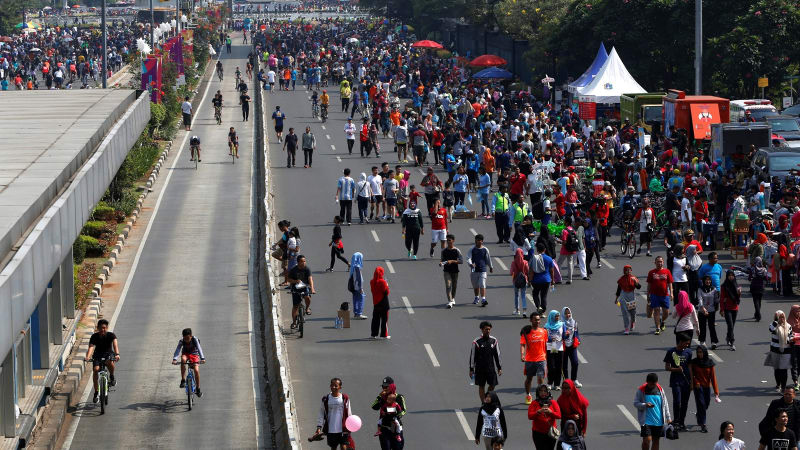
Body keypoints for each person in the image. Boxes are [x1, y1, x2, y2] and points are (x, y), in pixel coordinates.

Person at [84, 319, 120, 404]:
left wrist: (117, 354)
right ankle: (96, 392)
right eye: (101, 328)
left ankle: (111, 376)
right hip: (97, 355)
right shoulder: (94, 336)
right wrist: (87, 357)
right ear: (97, 328)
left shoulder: (111, 335)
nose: (102, 330)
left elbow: (115, 345)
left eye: (104, 328)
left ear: (107, 328)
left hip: (108, 354)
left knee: (110, 362)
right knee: (96, 370)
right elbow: (91, 347)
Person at [311, 378, 353, 450]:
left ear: (340, 387)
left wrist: (351, 424)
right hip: (331, 430)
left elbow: (349, 412)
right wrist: (319, 427)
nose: (333, 387)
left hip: (343, 429)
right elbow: (321, 413)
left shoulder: (344, 398)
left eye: (336, 386)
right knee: (333, 447)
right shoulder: (326, 399)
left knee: (344, 447)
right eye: (332, 385)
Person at [634, 372, 672, 450]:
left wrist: (668, 418)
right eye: (651, 384)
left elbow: (665, 404)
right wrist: (645, 405)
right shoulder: (641, 390)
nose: (653, 385)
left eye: (655, 383)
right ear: (647, 382)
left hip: (659, 421)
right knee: (647, 440)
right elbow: (636, 403)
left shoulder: (660, 389)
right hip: (646, 421)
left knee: (656, 441)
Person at [664, 336, 692, 431]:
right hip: (675, 381)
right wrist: (676, 369)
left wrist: (692, 381)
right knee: (677, 401)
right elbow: (667, 367)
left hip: (686, 381)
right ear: (680, 341)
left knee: (685, 403)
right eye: (686, 343)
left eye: (688, 343)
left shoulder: (688, 352)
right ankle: (675, 421)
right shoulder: (671, 352)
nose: (687, 345)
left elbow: (690, 367)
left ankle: (682, 422)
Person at [688, 345, 719, 433]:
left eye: (701, 352)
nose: (699, 354)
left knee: (706, 404)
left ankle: (699, 414)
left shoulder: (709, 363)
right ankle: (703, 424)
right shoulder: (694, 362)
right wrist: (695, 382)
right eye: (698, 352)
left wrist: (716, 392)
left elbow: (713, 377)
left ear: (704, 353)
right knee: (701, 404)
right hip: (698, 387)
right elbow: (691, 374)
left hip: (706, 387)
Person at [470, 321, 503, 402]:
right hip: (480, 368)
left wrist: (499, 368)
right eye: (486, 329)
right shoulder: (476, 342)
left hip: (490, 368)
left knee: (492, 385)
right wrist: (471, 369)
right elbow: (472, 356)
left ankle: (486, 397)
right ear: (481, 329)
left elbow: (497, 355)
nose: (487, 331)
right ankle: (483, 403)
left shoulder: (494, 341)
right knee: (481, 386)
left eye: (489, 329)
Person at [520, 312, 548, 405]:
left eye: (539, 319)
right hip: (530, 360)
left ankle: (540, 397)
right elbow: (523, 345)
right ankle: (528, 395)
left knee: (540, 379)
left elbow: (546, 344)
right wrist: (522, 355)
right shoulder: (526, 332)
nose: (537, 321)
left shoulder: (544, 331)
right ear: (531, 320)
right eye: (535, 319)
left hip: (541, 359)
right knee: (529, 379)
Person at [171, 327, 206, 397]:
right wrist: (175, 359)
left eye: (188, 338)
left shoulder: (194, 339)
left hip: (194, 354)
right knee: (183, 360)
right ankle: (183, 380)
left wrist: (202, 358)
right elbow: (178, 350)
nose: (186, 340)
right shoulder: (181, 341)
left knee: (196, 370)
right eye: (185, 338)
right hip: (186, 354)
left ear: (191, 336)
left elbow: (199, 348)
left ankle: (198, 388)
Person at [527, 384, 561, 449]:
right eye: (541, 391)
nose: (543, 393)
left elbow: (559, 415)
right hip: (538, 433)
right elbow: (530, 416)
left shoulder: (553, 402)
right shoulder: (534, 403)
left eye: (545, 391)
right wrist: (538, 412)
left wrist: (551, 412)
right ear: (538, 392)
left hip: (551, 433)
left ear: (548, 392)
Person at [768, 310, 795, 392]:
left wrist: (792, 339)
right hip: (775, 350)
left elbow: (791, 335)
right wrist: (777, 321)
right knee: (777, 369)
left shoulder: (788, 326)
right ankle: (778, 384)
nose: (782, 318)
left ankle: (783, 387)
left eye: (783, 317)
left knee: (783, 370)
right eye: (780, 317)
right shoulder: (773, 325)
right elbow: (771, 329)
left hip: (786, 351)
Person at [647, 256, 674, 335]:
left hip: (665, 295)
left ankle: (662, 321)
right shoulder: (651, 272)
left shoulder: (667, 271)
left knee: (666, 312)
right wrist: (648, 295)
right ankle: (657, 328)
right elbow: (649, 284)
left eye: (661, 261)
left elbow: (670, 283)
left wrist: (671, 293)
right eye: (658, 261)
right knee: (656, 311)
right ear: (655, 263)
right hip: (654, 295)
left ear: (663, 262)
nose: (660, 263)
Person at [529, 242, 555, 314]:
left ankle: (538, 307)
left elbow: (531, 271)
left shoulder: (534, 258)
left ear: (537, 250)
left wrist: (530, 280)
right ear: (545, 249)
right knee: (543, 296)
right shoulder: (549, 259)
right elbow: (552, 271)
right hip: (546, 280)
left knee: (535, 294)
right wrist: (553, 280)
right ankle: (543, 310)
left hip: (536, 281)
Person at [468, 234, 493, 306]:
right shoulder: (472, 249)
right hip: (474, 270)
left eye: (479, 240)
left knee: (482, 284)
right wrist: (470, 264)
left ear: (482, 241)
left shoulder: (485, 249)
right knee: (475, 286)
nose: (477, 242)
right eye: (476, 240)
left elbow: (488, 259)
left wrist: (491, 267)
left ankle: (483, 299)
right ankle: (476, 297)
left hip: (483, 270)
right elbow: (468, 257)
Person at [617, 265, 641, 334]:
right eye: (627, 270)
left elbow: (639, 287)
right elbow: (618, 290)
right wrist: (616, 298)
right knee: (625, 313)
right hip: (623, 296)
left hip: (631, 296)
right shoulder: (621, 279)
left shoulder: (633, 278)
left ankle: (632, 322)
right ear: (624, 271)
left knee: (632, 312)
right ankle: (626, 328)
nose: (629, 271)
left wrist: (635, 282)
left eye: (630, 270)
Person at [697, 275, 720, 348]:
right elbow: (700, 299)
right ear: (703, 281)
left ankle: (713, 342)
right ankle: (702, 341)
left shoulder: (714, 289)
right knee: (702, 327)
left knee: (712, 327)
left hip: (711, 311)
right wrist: (703, 308)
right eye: (706, 280)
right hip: (702, 311)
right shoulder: (700, 289)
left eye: (709, 280)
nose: (708, 281)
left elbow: (716, 299)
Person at [720, 270, 741, 351]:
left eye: (732, 275)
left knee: (732, 326)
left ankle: (728, 337)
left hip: (735, 308)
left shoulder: (736, 285)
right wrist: (721, 309)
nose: (731, 277)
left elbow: (738, 298)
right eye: (729, 275)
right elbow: (722, 298)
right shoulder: (724, 286)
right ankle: (732, 343)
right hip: (727, 308)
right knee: (730, 325)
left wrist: (739, 293)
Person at [440, 234, 463, 308]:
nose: (448, 242)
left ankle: (452, 298)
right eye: (447, 240)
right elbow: (442, 259)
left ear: (453, 241)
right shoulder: (444, 250)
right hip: (446, 271)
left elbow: (461, 261)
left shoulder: (457, 250)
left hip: (455, 271)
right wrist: (441, 263)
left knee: (454, 286)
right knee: (448, 285)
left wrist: (452, 261)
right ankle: (450, 301)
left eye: (449, 240)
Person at [561, 306, 581, 386]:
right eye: (565, 313)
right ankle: (566, 381)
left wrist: (578, 340)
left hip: (572, 346)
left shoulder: (574, 322)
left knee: (575, 362)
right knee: (564, 365)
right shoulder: (560, 324)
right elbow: (559, 335)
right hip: (563, 346)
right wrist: (564, 335)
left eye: (568, 313)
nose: (567, 315)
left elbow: (576, 333)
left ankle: (574, 379)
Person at [370, 267, 391, 339]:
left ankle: (374, 334)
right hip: (384, 303)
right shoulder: (383, 282)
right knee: (384, 319)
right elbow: (386, 292)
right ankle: (384, 334)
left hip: (376, 303)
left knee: (375, 319)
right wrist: (387, 286)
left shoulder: (372, 282)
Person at [557, 217, 578, 284]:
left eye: (565, 221)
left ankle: (558, 278)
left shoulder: (564, 231)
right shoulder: (573, 230)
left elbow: (564, 242)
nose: (564, 222)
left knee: (559, 263)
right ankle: (570, 279)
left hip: (565, 249)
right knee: (570, 263)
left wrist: (558, 241)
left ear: (567, 222)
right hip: (572, 249)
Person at [348, 252, 367, 320]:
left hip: (353, 286)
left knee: (355, 299)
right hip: (357, 287)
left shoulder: (353, 266)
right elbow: (359, 279)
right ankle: (359, 313)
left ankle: (356, 313)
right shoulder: (358, 267)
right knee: (361, 299)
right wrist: (361, 288)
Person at [511, 248, 529, 316]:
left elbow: (511, 273)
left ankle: (517, 310)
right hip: (524, 280)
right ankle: (524, 311)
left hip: (516, 281)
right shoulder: (525, 262)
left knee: (516, 295)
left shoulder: (513, 263)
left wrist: (514, 275)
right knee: (523, 296)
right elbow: (527, 271)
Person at [752, 257, 769, 322]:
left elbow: (749, 277)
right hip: (761, 286)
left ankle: (758, 314)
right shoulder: (764, 269)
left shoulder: (753, 268)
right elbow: (766, 278)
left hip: (754, 286)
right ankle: (756, 313)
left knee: (755, 300)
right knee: (759, 300)